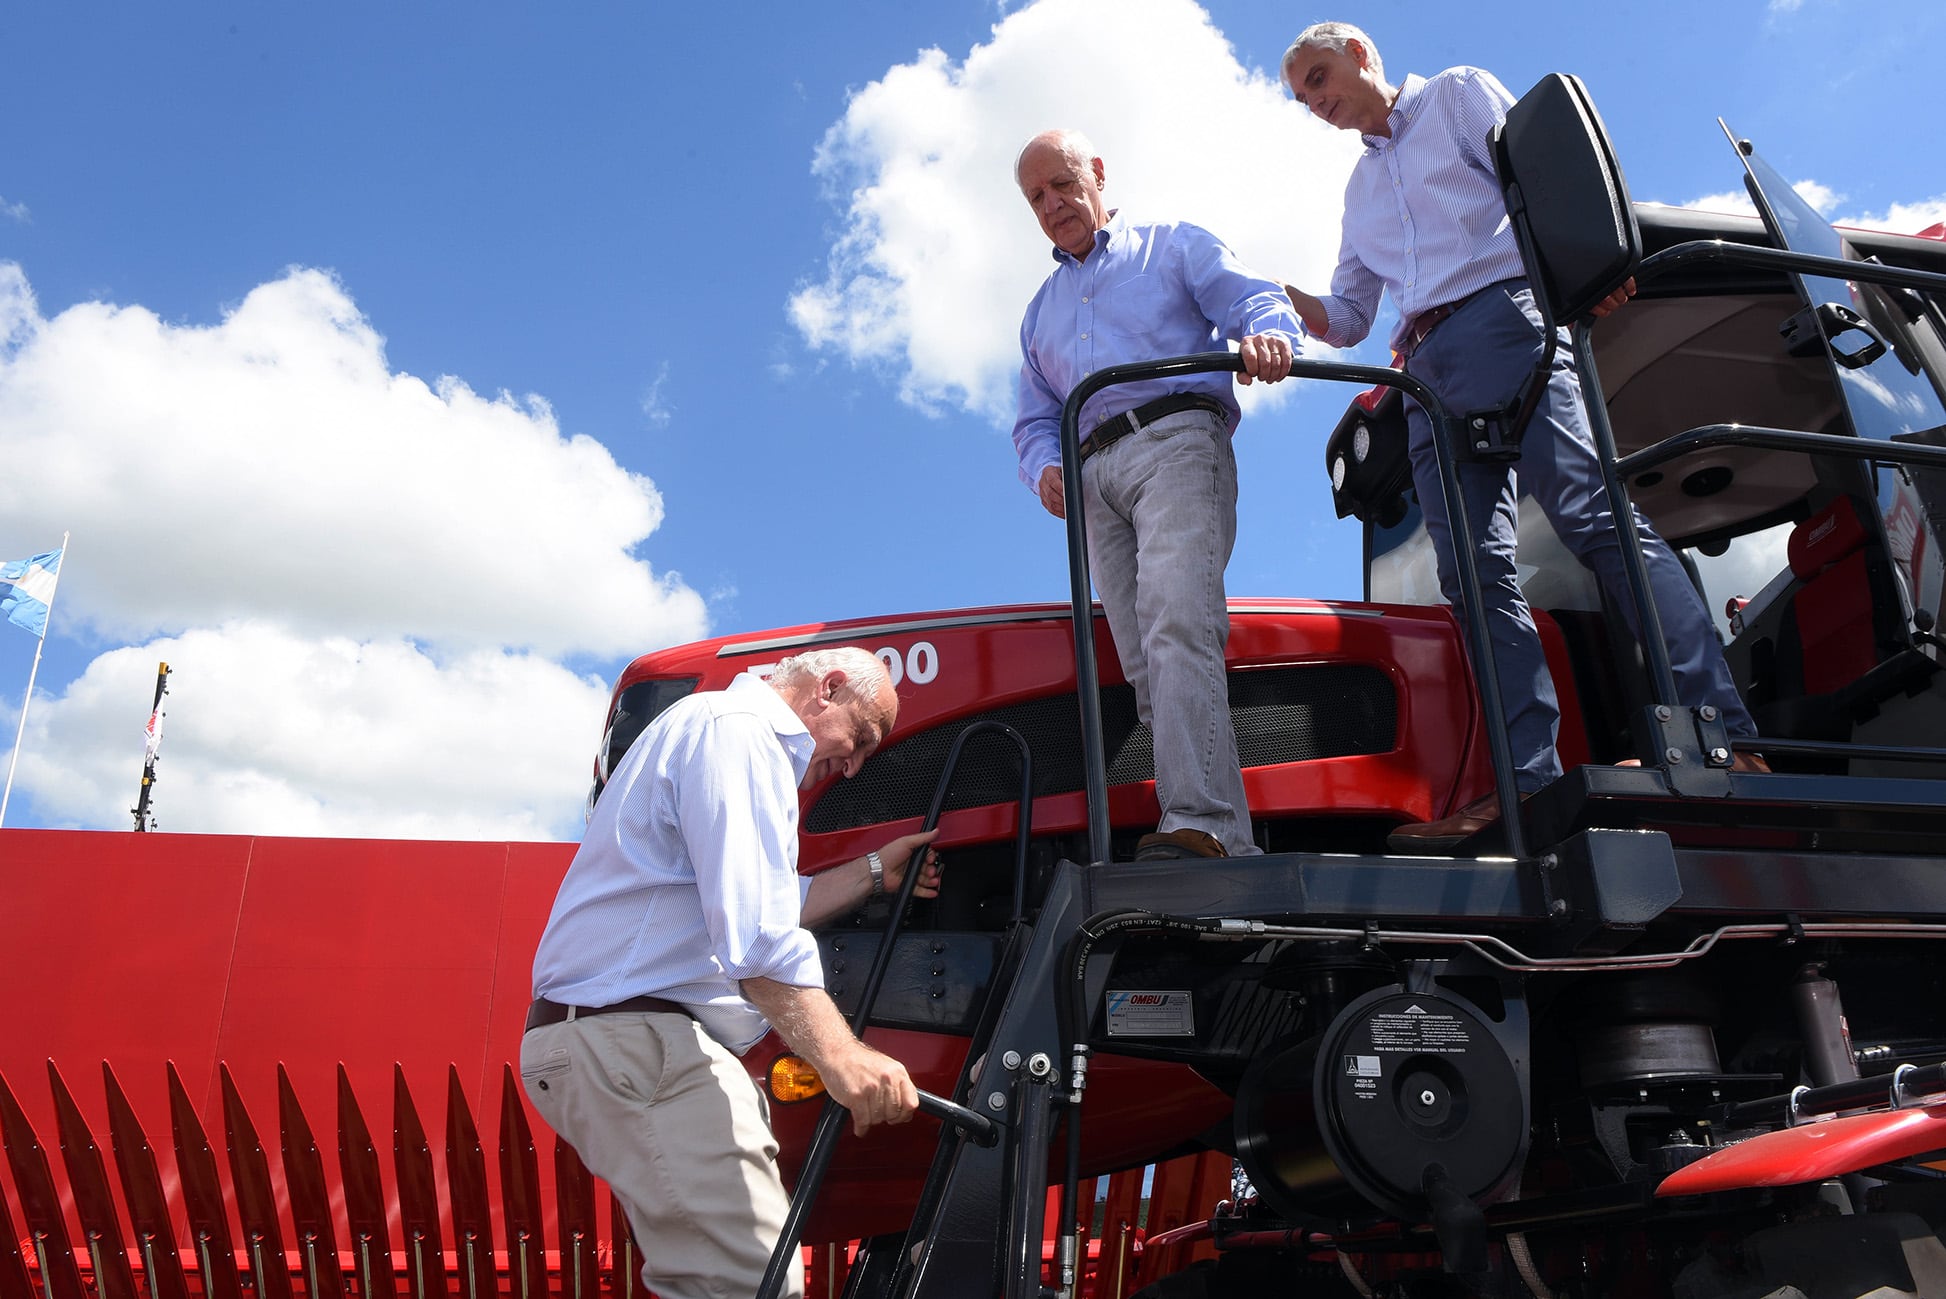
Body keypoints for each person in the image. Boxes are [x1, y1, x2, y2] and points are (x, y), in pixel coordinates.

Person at [1278, 23, 1763, 851]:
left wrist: (1590, 265)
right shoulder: (1357, 196)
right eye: (1303, 97)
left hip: (1504, 318)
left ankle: (1729, 736)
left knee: (1591, 515)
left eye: (1319, 79)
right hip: (1424, 368)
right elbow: (1351, 314)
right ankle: (1527, 784)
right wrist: (1263, 296)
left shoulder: (1459, 94)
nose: (1316, 103)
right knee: (1471, 576)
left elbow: (1538, 183)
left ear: (1361, 52)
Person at [520, 647, 943, 1299]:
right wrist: (842, 1053)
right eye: (860, 737)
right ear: (827, 689)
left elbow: (764, 903)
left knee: (737, 1279)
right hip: (640, 1040)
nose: (854, 764)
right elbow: (757, 937)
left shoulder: (716, 729)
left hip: (618, 1035)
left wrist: (871, 872)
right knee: (749, 1284)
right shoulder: (738, 732)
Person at [1012, 128, 1302, 861]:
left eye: (1063, 184)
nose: (1053, 205)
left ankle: (1200, 822)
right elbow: (1035, 416)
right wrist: (1045, 464)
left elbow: (1255, 299)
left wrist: (1266, 334)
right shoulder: (1039, 312)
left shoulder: (1173, 244)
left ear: (1099, 175)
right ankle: (1222, 840)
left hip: (1174, 441)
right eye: (1037, 197)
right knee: (1144, 661)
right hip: (1092, 482)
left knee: (1180, 626)